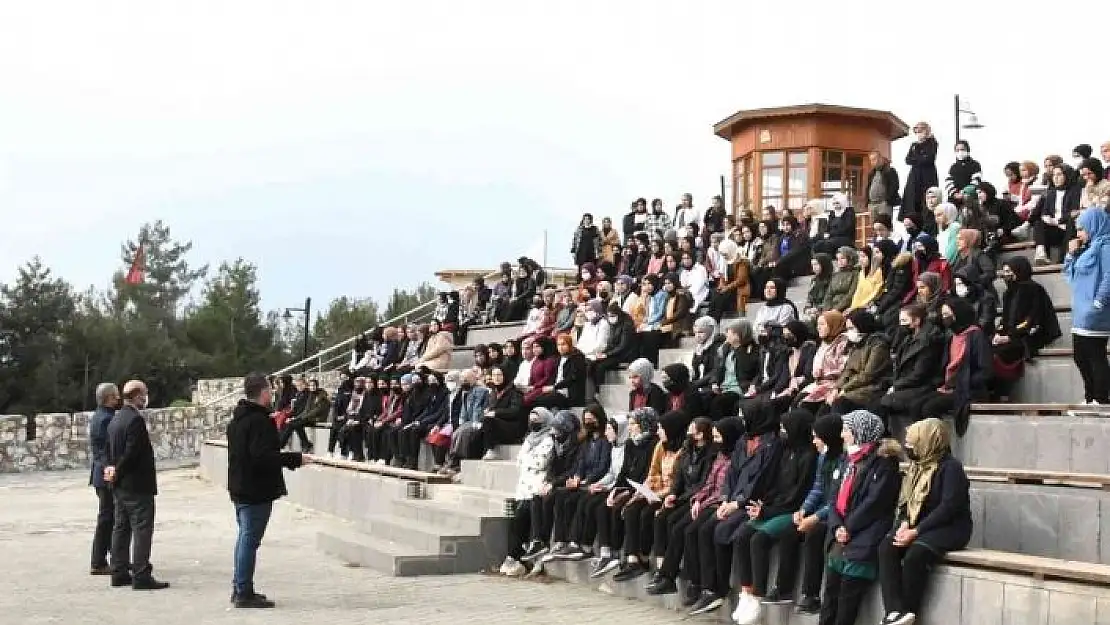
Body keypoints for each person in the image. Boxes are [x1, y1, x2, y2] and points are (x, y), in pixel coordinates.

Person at [225, 372, 309, 608]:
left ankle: (241, 587)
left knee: (244, 539)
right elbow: (262, 457)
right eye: (270, 390)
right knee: (249, 540)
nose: (272, 393)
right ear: (263, 392)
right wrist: (294, 458)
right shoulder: (258, 421)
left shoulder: (238, 420)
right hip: (255, 490)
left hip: (240, 487)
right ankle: (243, 592)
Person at [878, 418, 972, 625]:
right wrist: (903, 523)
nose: (909, 448)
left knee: (915, 555)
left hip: (949, 527)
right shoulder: (916, 467)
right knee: (887, 546)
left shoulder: (951, 468)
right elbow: (905, 503)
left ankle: (909, 612)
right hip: (917, 525)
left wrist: (916, 531)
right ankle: (895, 611)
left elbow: (949, 507)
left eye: (914, 443)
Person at [731, 409, 818, 625]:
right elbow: (774, 485)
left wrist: (767, 511)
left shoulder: (809, 456)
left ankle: (758, 597)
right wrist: (762, 504)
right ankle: (747, 593)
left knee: (759, 539)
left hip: (791, 512)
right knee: (742, 534)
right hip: (773, 507)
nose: (781, 432)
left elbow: (797, 496)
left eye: (785, 428)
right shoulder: (786, 452)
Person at [819, 410, 902, 625]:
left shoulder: (884, 463)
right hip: (841, 535)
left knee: (847, 601)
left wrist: (849, 527)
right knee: (830, 597)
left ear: (860, 432)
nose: (842, 435)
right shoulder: (846, 459)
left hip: (865, 536)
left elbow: (875, 503)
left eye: (846, 430)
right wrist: (837, 525)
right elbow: (833, 496)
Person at [105, 379, 168, 590]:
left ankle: (119, 571)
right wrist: (119, 469)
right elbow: (132, 453)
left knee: (121, 528)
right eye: (145, 394)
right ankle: (141, 574)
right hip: (137, 485)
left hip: (120, 485)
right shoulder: (135, 421)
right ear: (137, 395)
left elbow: (109, 450)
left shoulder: (115, 420)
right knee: (142, 528)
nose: (146, 398)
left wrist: (112, 470)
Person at [992, 257, 1062, 400]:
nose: (1005, 275)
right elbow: (1005, 320)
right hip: (1013, 333)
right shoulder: (1008, 293)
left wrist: (1010, 336)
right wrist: (998, 334)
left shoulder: (1033, 289)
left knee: (1003, 351)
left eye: (1008, 271)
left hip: (1031, 333)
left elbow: (1031, 320)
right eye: (1004, 272)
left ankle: (1002, 393)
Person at [501, 408, 557, 577]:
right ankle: (514, 558)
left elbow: (541, 462)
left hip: (538, 486)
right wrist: (528, 460)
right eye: (531, 418)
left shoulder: (549, 440)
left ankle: (536, 560)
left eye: (537, 419)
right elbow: (519, 461)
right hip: (523, 487)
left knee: (534, 523)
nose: (533, 422)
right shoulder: (528, 439)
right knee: (517, 522)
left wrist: (528, 460)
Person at [89, 382, 120, 576]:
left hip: (101, 474)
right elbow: (106, 451)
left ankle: (112, 558)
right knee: (107, 519)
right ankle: (99, 561)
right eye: (116, 396)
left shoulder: (100, 416)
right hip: (105, 475)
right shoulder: (106, 420)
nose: (118, 399)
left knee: (109, 518)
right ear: (109, 398)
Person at [902, 122, 939, 228]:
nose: (919, 134)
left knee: (927, 200)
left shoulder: (932, 142)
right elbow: (908, 159)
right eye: (917, 132)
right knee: (913, 201)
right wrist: (920, 158)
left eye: (921, 131)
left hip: (927, 176)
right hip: (915, 177)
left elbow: (929, 158)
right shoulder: (914, 145)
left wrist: (916, 158)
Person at [866, 151, 901, 221]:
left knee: (885, 226)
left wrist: (887, 200)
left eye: (874, 159)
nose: (872, 162)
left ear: (880, 159)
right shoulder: (871, 173)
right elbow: (868, 187)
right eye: (871, 160)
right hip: (872, 204)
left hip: (884, 204)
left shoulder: (890, 171)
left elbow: (895, 186)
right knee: (874, 227)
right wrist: (867, 202)